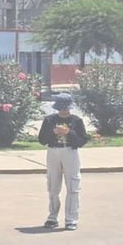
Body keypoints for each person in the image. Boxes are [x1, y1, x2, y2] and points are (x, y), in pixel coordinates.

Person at [37, 93, 90, 231]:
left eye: (65, 108)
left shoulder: (76, 121)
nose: (63, 111)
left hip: (70, 152)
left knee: (73, 185)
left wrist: (69, 132)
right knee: (53, 185)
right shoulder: (49, 120)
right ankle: (52, 217)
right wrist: (53, 133)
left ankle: (71, 219)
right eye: (61, 108)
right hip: (54, 151)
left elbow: (82, 140)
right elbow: (42, 140)